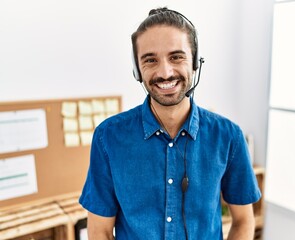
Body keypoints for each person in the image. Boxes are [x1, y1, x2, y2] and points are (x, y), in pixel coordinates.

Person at [79, 7, 261, 240]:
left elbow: (244, 220)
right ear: (137, 70)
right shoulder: (108, 137)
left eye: (176, 57)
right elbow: (99, 231)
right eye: (150, 60)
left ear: (195, 62)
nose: (165, 72)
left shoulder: (229, 137)